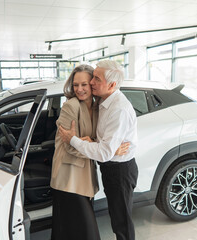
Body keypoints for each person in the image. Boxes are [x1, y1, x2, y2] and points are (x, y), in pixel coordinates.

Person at [59, 60, 138, 240]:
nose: (92, 82)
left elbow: (103, 153)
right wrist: (97, 141)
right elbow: (105, 145)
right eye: (93, 77)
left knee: (122, 222)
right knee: (116, 217)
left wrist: (73, 140)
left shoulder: (118, 109)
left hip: (120, 172)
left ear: (111, 85)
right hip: (110, 168)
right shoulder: (103, 101)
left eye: (96, 78)